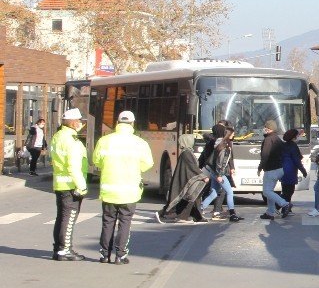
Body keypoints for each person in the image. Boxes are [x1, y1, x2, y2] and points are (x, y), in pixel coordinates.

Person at [92, 111, 154, 264]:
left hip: (109, 189)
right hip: (129, 190)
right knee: (125, 222)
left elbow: (96, 161)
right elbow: (147, 164)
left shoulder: (105, 141)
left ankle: (104, 254)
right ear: (133, 124)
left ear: (117, 123)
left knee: (108, 221)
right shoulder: (140, 143)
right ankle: (120, 255)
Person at [49, 108, 89, 261]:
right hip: (71, 185)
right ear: (73, 122)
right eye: (79, 121)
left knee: (61, 218)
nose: (80, 123)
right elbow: (73, 166)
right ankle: (65, 250)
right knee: (69, 219)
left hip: (60, 183)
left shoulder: (58, 136)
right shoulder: (71, 140)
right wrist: (82, 186)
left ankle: (59, 249)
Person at [157, 134, 210, 223]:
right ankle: (167, 214)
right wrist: (202, 176)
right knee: (186, 197)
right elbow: (192, 166)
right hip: (186, 180)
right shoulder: (186, 153)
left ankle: (196, 216)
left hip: (189, 179)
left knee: (194, 196)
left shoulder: (188, 152)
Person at [199, 124, 244, 222]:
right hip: (218, 172)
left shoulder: (219, 142)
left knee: (214, 193)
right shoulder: (225, 145)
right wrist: (219, 175)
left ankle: (200, 208)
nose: (234, 135)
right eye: (232, 134)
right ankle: (232, 213)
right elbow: (220, 161)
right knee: (229, 192)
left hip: (213, 171)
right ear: (228, 134)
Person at [258, 119, 291, 220]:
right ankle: (270, 212)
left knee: (266, 192)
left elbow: (265, 155)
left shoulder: (268, 139)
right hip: (279, 168)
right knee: (270, 191)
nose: (264, 129)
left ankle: (285, 204)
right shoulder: (277, 139)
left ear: (268, 129)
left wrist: (260, 167)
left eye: (265, 127)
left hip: (271, 169)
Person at [279, 129, 308, 207]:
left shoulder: (283, 145)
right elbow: (297, 160)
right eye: (297, 135)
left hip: (283, 170)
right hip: (290, 171)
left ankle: (286, 208)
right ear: (293, 137)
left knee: (285, 190)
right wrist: (303, 171)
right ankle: (279, 206)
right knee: (289, 192)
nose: (298, 137)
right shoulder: (293, 146)